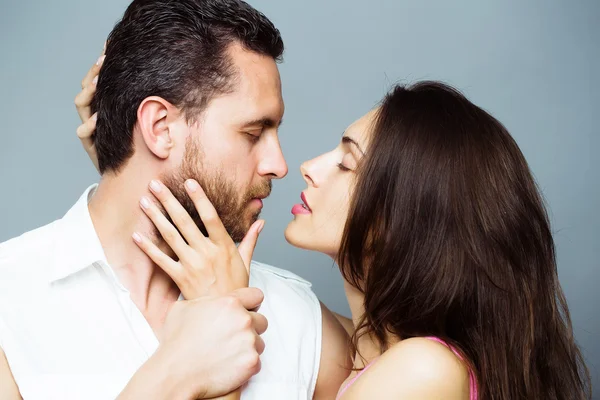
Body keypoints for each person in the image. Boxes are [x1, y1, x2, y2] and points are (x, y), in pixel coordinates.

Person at [77, 75, 592, 398]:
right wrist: (135, 172)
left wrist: (220, 307)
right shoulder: (361, 350)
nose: (306, 167)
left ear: (404, 216)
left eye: (347, 163)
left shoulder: (424, 370)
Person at [0, 0, 350, 399]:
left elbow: (421, 357)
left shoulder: (297, 316)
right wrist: (176, 375)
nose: (279, 165)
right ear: (161, 127)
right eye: (253, 134)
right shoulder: (10, 303)